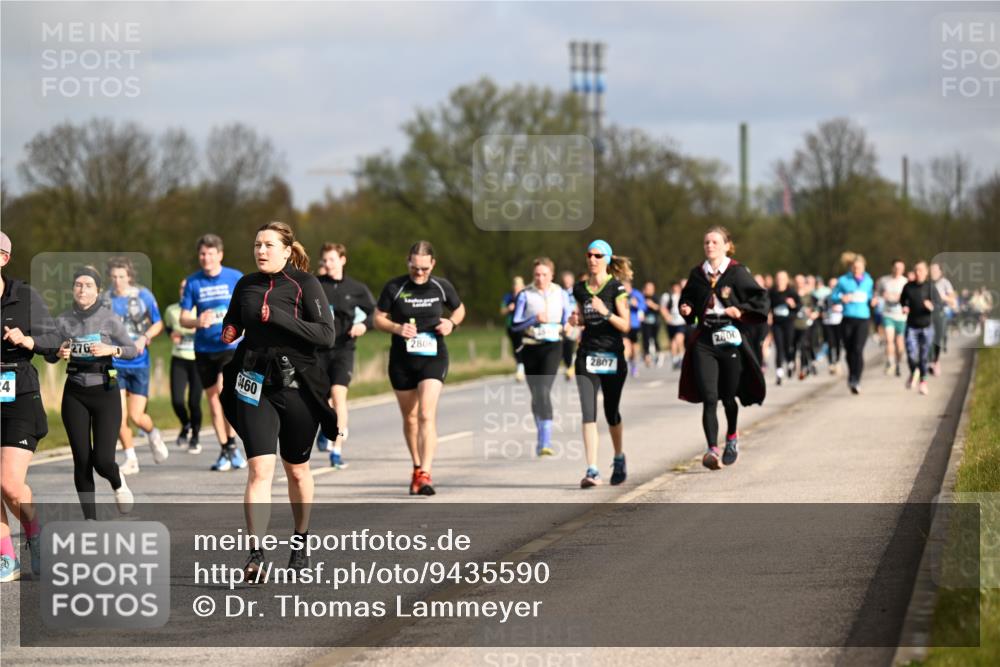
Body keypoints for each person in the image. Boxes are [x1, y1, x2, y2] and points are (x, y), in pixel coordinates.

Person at [217, 222, 338, 577]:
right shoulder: (245, 284)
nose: (261, 251)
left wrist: (280, 318)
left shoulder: (305, 284)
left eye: (268, 245)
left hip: (296, 385)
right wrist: (231, 330)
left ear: (286, 250)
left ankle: (300, 541)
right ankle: (256, 554)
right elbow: (234, 319)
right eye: (257, 244)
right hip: (254, 384)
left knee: (297, 470)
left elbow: (326, 335)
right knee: (259, 469)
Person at [46, 266, 138, 519]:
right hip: (75, 393)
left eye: (88, 285)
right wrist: (58, 352)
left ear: (98, 290)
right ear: (72, 289)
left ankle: (117, 481)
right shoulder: (63, 320)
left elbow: (132, 350)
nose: (82, 289)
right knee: (82, 460)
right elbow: (50, 355)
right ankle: (90, 519)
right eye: (78, 285)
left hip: (106, 391)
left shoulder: (109, 318)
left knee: (103, 460)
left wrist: (112, 350)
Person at [374, 241, 465, 496]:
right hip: (402, 360)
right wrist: (397, 327)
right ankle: (416, 467)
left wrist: (451, 323)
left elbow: (459, 309)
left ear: (433, 264)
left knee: (426, 413)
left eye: (425, 268)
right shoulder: (395, 287)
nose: (420, 273)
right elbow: (377, 318)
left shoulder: (441, 286)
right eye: (415, 268)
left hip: (433, 357)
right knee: (410, 418)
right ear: (408, 262)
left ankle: (425, 473)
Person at [678, 226, 769, 470]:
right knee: (709, 397)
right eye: (706, 242)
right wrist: (686, 308)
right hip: (705, 339)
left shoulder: (737, 272)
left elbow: (760, 299)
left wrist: (740, 309)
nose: (710, 246)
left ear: (727, 246)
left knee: (728, 397)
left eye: (715, 242)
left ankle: (731, 437)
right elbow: (687, 298)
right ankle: (711, 450)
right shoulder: (698, 273)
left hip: (729, 337)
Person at [0, 232, 60, 581]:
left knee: (9, 484)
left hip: (20, 395)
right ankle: (6, 558)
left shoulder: (24, 297)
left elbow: (54, 342)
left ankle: (35, 535)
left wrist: (28, 340)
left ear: (4, 259)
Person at [180, 234, 248, 471]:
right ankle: (226, 448)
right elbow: (183, 318)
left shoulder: (235, 277)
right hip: (204, 349)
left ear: (220, 255)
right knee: (213, 400)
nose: (206, 258)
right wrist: (197, 321)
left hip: (230, 346)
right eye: (202, 254)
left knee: (222, 390)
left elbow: (247, 307)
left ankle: (233, 444)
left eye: (210, 253)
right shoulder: (193, 282)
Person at [571, 240, 632, 488]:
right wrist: (576, 319)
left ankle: (618, 457)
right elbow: (582, 318)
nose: (592, 259)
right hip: (586, 355)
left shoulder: (616, 288)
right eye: (589, 255)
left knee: (611, 411)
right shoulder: (579, 289)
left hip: (612, 356)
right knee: (588, 411)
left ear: (607, 259)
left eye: (597, 255)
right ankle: (592, 469)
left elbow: (625, 325)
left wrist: (605, 312)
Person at [104, 257, 168, 474]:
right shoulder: (105, 300)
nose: (117, 280)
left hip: (139, 363)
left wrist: (144, 337)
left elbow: (158, 323)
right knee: (118, 416)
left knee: (136, 416)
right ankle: (131, 458)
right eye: (114, 276)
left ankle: (153, 434)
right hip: (115, 363)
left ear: (129, 276)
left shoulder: (143, 296)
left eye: (121, 276)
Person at [314, 243, 375, 469]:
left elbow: (375, 312)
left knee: (339, 397)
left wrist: (363, 325)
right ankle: (325, 428)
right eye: (325, 260)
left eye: (332, 259)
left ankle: (337, 451)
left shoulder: (356, 288)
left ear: (342, 260)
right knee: (319, 400)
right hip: (318, 351)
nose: (328, 264)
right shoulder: (315, 285)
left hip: (344, 349)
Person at [510, 258, 572, 457]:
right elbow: (515, 325)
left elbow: (567, 317)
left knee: (544, 390)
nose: (540, 278)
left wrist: (567, 326)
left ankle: (546, 441)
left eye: (544, 274)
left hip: (553, 346)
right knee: (536, 394)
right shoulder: (525, 294)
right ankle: (541, 434)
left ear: (552, 275)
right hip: (530, 347)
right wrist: (533, 319)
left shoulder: (561, 293)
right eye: (537, 274)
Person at [163, 279, 203, 452]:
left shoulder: (200, 308)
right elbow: (167, 327)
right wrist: (172, 333)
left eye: (187, 288)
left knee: (194, 402)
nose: (184, 290)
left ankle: (195, 437)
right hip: (179, 359)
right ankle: (186, 424)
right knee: (177, 401)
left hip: (198, 360)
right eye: (181, 288)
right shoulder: (171, 310)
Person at [831, 254, 875, 394]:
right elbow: (833, 296)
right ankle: (851, 375)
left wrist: (873, 300)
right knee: (849, 351)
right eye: (854, 267)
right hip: (847, 318)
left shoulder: (868, 280)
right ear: (851, 267)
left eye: (859, 268)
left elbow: (869, 295)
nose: (857, 270)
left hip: (863, 319)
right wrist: (841, 297)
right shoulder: (843, 280)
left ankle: (857, 379)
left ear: (864, 268)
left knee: (858, 349)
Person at [900, 261, 936, 395]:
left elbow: (938, 304)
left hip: (927, 326)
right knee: (911, 354)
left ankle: (923, 382)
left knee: (923, 356)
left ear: (926, 272)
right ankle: (913, 372)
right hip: (912, 326)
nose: (918, 273)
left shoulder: (930, 287)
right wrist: (905, 307)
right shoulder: (908, 287)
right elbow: (903, 300)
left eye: (921, 270)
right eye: (916, 270)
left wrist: (931, 306)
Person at [877, 259, 908, 377]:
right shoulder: (884, 280)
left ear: (903, 269)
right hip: (888, 314)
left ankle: (898, 363)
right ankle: (890, 363)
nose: (898, 270)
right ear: (892, 268)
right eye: (896, 267)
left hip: (901, 316)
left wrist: (900, 298)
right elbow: (877, 293)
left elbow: (909, 297)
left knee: (900, 344)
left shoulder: (905, 282)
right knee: (889, 340)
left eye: (900, 268)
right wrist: (881, 296)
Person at [768, 271, 799, 386]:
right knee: (779, 347)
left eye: (782, 279)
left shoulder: (791, 292)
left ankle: (790, 362)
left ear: (787, 280)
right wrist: (769, 314)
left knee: (788, 346)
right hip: (777, 323)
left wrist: (793, 305)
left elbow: (799, 306)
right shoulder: (772, 292)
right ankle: (779, 373)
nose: (780, 281)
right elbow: (767, 305)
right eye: (778, 278)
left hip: (789, 322)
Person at [929, 262, 956, 376]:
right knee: (928, 337)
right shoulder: (927, 283)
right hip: (928, 314)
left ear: (940, 272)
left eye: (935, 270)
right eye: (931, 270)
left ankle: (936, 361)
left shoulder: (945, 283)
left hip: (941, 313)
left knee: (938, 338)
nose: (933, 272)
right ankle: (931, 361)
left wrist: (943, 297)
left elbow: (952, 300)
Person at [501, 277, 526, 382]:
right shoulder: (508, 297)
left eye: (519, 285)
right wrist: (508, 308)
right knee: (516, 346)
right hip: (511, 326)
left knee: (523, 345)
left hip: (524, 325)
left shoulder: (526, 296)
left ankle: (523, 366)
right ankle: (520, 366)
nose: (516, 287)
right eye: (515, 285)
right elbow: (502, 311)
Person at [820, 277, 845, 374]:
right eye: (831, 285)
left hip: (839, 322)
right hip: (828, 322)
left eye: (835, 285)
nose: (833, 287)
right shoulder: (826, 297)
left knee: (838, 343)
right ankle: (831, 363)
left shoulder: (842, 296)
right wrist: (827, 310)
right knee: (830, 343)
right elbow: (821, 308)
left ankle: (837, 361)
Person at [661, 281, 687, 371]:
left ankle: (681, 358)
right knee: (673, 341)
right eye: (674, 287)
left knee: (679, 339)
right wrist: (666, 316)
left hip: (681, 322)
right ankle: (675, 359)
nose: (676, 289)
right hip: (671, 322)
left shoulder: (684, 296)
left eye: (677, 287)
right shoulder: (667, 296)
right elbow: (662, 308)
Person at [623, 279, 646, 378]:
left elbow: (644, 306)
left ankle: (634, 365)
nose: (625, 288)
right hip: (624, 324)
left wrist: (636, 304)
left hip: (635, 324)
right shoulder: (620, 295)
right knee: (625, 344)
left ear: (630, 286)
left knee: (633, 347)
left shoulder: (636, 294)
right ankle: (624, 365)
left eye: (626, 286)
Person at [559, 270, 579, 381]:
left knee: (573, 342)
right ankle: (569, 366)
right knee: (565, 346)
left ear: (572, 280)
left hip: (575, 322)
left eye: (568, 280)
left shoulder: (577, 292)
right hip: (563, 323)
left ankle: (572, 367)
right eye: (565, 280)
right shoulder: (560, 292)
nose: (566, 282)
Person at [639, 281, 662, 368]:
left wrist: (652, 304)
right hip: (645, 322)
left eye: (650, 288)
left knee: (655, 339)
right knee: (646, 339)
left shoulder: (656, 297)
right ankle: (647, 357)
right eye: (647, 288)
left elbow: (660, 308)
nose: (649, 290)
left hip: (655, 322)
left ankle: (658, 355)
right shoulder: (642, 297)